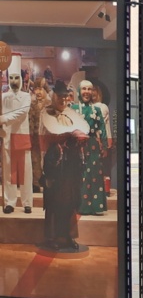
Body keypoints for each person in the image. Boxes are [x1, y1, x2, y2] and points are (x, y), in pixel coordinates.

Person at [39, 81, 89, 253]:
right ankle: (53, 237)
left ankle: (68, 235)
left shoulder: (71, 114)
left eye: (65, 96)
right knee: (54, 199)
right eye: (59, 96)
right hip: (55, 163)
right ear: (54, 96)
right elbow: (46, 136)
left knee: (70, 199)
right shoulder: (46, 113)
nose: (62, 99)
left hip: (71, 163)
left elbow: (80, 130)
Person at [75, 79, 109, 216]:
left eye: (90, 89)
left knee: (94, 175)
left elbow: (102, 128)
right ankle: (80, 206)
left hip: (93, 146)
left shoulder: (97, 109)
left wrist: (104, 146)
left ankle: (95, 206)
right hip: (76, 146)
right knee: (80, 175)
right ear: (79, 91)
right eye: (84, 89)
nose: (87, 92)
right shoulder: (73, 108)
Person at [1, 72, 32, 213]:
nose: (14, 80)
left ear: (21, 79)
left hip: (21, 135)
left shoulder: (26, 97)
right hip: (7, 136)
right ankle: (10, 202)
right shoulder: (3, 97)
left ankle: (27, 202)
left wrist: (4, 118)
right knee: (9, 172)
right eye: (11, 77)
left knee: (25, 172)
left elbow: (22, 112)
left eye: (16, 77)